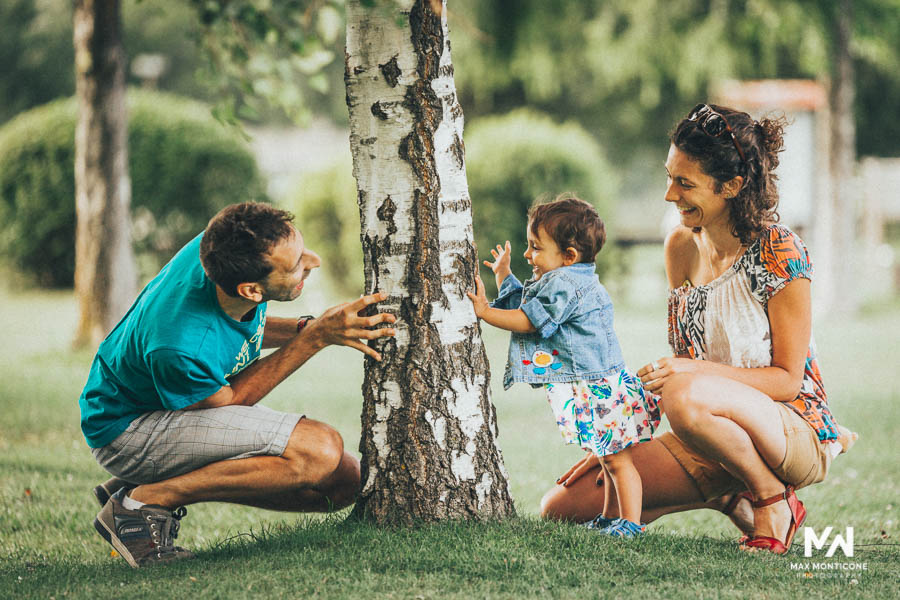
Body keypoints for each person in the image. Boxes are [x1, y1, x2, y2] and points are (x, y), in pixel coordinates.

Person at [540, 104, 855, 554]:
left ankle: (771, 498)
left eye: (684, 183)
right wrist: (614, 438)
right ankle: (729, 492)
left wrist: (690, 372)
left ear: (731, 186)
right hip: (708, 434)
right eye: (670, 176)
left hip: (791, 432)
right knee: (562, 507)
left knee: (683, 392)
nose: (670, 194)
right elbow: (682, 365)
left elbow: (787, 381)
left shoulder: (779, 250)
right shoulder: (681, 248)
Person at [79, 202, 396, 568]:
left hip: (169, 407)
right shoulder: (180, 345)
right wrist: (315, 338)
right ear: (251, 290)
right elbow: (231, 400)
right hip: (126, 430)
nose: (314, 261)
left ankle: (133, 486)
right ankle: (142, 501)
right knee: (319, 450)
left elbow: (242, 327)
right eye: (296, 266)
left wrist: (308, 328)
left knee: (344, 483)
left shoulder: (224, 250)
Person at [467, 195, 661, 537]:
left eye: (536, 247)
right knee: (607, 458)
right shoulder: (568, 279)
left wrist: (485, 312)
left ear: (568, 256)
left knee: (618, 461)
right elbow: (530, 303)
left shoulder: (568, 284)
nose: (529, 255)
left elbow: (530, 319)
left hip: (600, 388)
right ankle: (609, 517)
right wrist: (505, 274)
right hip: (596, 386)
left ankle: (631, 524)